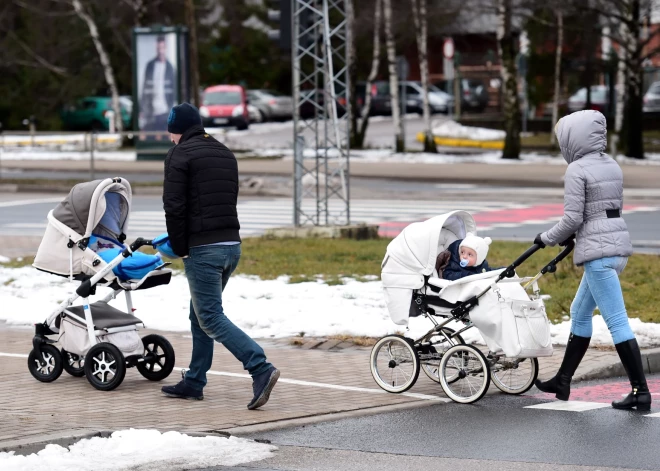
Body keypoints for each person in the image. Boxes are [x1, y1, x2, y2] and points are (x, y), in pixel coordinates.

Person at [160, 102, 280, 410]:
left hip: (203, 249)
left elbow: (174, 207)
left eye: (171, 133)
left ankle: (259, 367)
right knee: (199, 313)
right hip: (231, 245)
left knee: (210, 317)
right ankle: (194, 381)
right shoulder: (224, 152)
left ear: (177, 131)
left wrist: (180, 246)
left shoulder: (179, 154)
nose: (170, 138)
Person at [533, 110, 651, 411]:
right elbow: (606, 210)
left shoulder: (576, 169)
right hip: (616, 247)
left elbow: (573, 217)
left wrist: (547, 237)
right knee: (579, 311)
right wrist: (576, 235)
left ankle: (640, 391)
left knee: (616, 321)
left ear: (573, 138)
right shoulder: (610, 164)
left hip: (599, 255)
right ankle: (563, 380)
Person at [140, 35, 176, 131]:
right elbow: (145, 88)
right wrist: (142, 108)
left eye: (162, 48)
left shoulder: (170, 67)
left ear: (166, 48)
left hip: (165, 111)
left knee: (164, 136)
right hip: (151, 111)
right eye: (158, 48)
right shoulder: (150, 66)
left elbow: (174, 90)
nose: (161, 51)